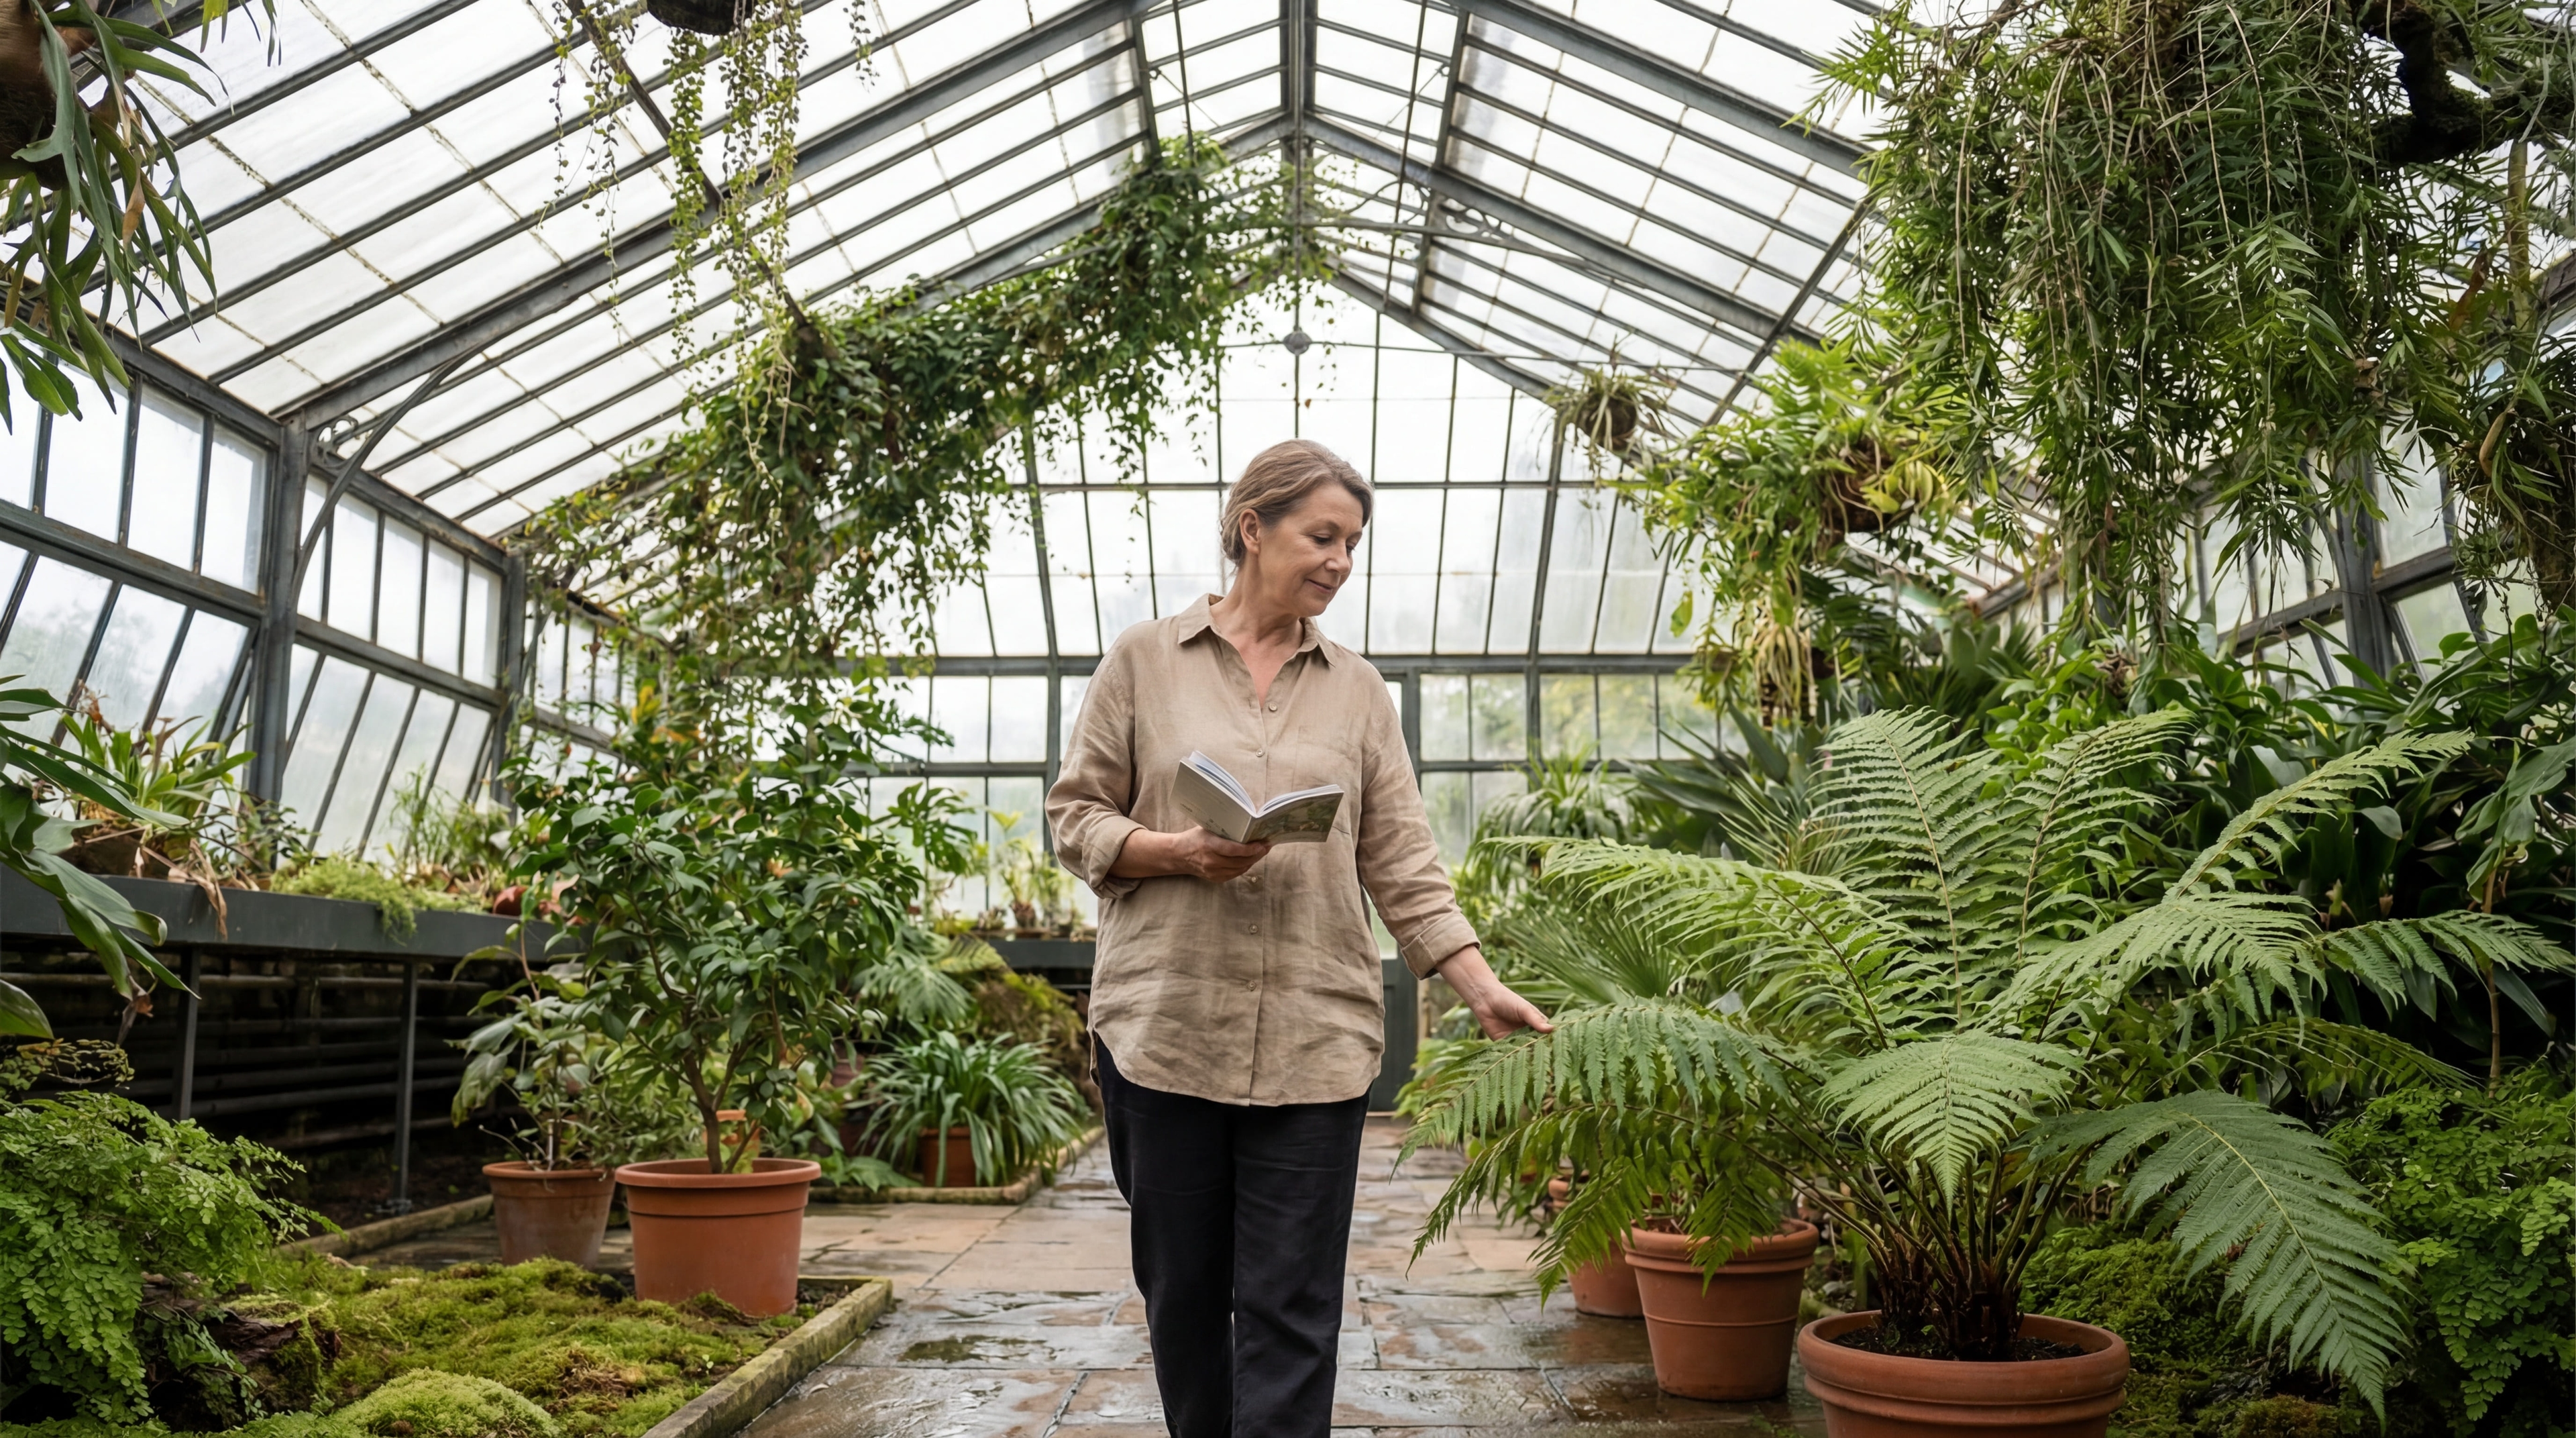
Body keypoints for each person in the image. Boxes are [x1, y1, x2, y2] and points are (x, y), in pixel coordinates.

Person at [1045, 438, 1552, 1438]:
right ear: (1253, 528)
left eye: (1352, 544)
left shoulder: (1358, 691)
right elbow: (1075, 816)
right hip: (1165, 1028)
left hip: (1316, 1039)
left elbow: (1401, 857)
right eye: (1323, 537)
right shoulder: (1143, 661)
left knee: (1294, 1309)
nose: (1340, 562)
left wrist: (1478, 983)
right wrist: (1175, 850)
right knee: (1184, 1297)